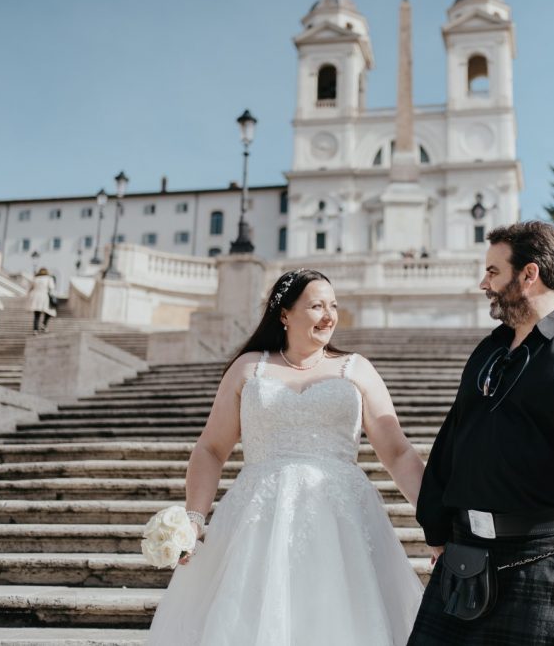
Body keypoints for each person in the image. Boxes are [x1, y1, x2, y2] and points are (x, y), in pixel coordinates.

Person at [148, 268, 425, 645]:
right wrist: (194, 519)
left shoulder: (357, 369)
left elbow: (398, 453)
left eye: (333, 306)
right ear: (285, 314)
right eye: (316, 306)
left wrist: (436, 521)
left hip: (341, 523)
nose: (329, 315)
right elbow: (211, 449)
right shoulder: (248, 369)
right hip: (258, 520)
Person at [408, 221, 554, 645]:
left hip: (544, 556)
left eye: (494, 272)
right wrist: (438, 529)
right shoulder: (489, 350)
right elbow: (453, 441)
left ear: (529, 274)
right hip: (466, 556)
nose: (484, 283)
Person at [26, 268, 56, 334]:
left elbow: (30, 288)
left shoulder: (35, 278)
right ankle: (44, 324)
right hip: (44, 296)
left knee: (37, 315)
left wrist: (28, 296)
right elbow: (52, 287)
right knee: (49, 312)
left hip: (35, 296)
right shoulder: (49, 278)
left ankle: (35, 329)